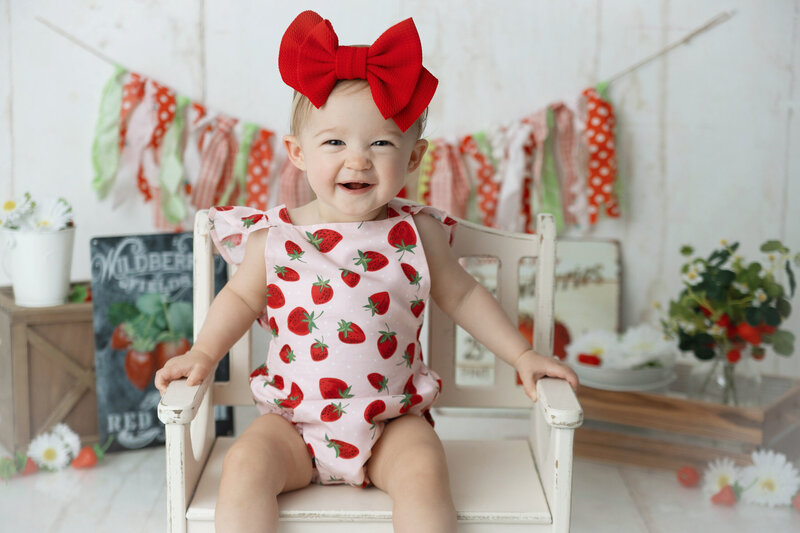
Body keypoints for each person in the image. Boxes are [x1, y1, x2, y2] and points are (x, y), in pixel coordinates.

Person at [155, 10, 578, 533]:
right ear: (298, 154)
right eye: (334, 142)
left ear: (414, 156)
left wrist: (523, 354)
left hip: (391, 423)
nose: (357, 160)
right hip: (292, 424)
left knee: (424, 470)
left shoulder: (415, 235)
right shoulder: (273, 238)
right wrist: (202, 353)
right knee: (243, 467)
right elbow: (240, 301)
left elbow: (465, 297)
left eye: (380, 143)